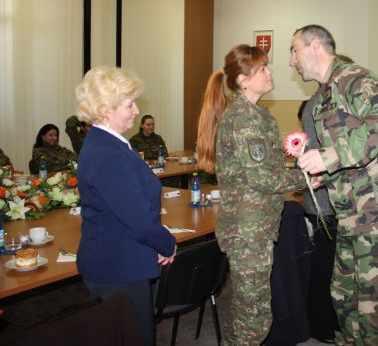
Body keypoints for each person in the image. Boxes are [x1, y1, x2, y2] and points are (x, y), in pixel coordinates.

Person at [290, 24, 378, 345]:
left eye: (294, 51)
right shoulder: (323, 96)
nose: (291, 61)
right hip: (350, 216)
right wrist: (326, 173)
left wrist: (330, 156)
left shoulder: (352, 78)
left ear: (315, 46)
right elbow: (352, 154)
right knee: (346, 301)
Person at [197, 44, 306, 345]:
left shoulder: (258, 116)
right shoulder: (243, 118)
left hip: (257, 227)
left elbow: (266, 168)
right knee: (254, 317)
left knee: (248, 311)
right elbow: (263, 178)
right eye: (262, 69)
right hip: (247, 231)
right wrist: (307, 177)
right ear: (243, 80)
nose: (270, 73)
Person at [74, 66, 177, 346]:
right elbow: (137, 217)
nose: (136, 110)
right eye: (130, 104)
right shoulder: (109, 153)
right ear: (105, 109)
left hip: (117, 258)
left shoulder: (107, 143)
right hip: (117, 265)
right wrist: (166, 243)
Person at [297, 99, 340, 343]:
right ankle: (319, 325)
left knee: (333, 272)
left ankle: (331, 320)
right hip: (321, 211)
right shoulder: (309, 143)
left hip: (332, 211)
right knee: (322, 272)